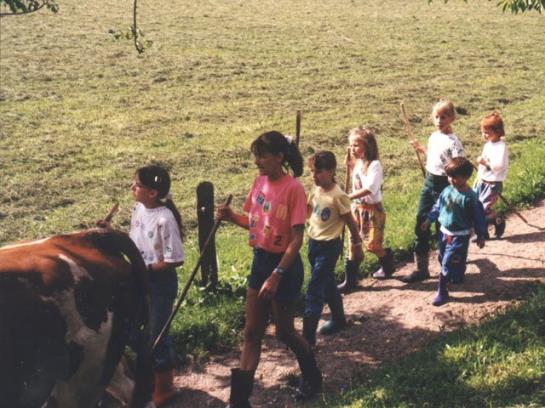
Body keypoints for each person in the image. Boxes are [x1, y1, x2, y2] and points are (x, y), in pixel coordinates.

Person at [217, 131, 322, 407]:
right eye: (256, 156)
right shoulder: (259, 182)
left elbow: (297, 239)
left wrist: (277, 275)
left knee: (284, 332)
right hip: (260, 261)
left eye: (262, 156)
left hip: (284, 267)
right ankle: (239, 401)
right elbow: (254, 223)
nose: (257, 162)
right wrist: (230, 218)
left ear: (279, 157)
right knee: (252, 332)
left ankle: (312, 377)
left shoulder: (294, 189)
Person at [129, 165, 185, 407]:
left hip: (160, 283)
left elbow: (175, 260)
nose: (132, 188)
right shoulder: (138, 209)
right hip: (139, 279)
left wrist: (147, 269)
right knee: (135, 330)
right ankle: (149, 377)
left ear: (152, 192)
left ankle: (166, 387)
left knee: (157, 335)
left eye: (137, 185)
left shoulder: (165, 219)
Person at [401, 99, 465, 283]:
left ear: (452, 118)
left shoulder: (454, 142)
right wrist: (421, 149)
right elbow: (435, 156)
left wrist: (456, 188)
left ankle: (447, 266)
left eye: (443, 117)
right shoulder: (433, 136)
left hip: (446, 185)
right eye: (436, 117)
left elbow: (458, 166)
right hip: (429, 183)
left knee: (443, 227)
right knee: (421, 220)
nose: (439, 120)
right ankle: (421, 269)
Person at [303, 151, 363, 346]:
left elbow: (351, 223)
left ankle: (307, 337)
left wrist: (356, 243)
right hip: (313, 243)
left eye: (319, 172)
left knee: (315, 288)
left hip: (329, 247)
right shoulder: (315, 190)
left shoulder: (339, 196)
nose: (314, 176)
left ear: (330, 171)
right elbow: (308, 212)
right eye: (312, 172)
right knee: (327, 283)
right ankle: (339, 319)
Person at [422, 157, 487, 306]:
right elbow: (438, 206)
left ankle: (442, 290)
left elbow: (478, 217)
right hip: (444, 233)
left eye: (455, 177)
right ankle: (457, 274)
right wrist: (428, 220)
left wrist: (481, 234)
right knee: (443, 257)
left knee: (447, 262)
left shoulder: (470, 197)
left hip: (460, 236)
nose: (450, 180)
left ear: (466, 177)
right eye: (449, 176)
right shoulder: (447, 190)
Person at [338, 127, 395, 293]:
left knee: (372, 244)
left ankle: (387, 261)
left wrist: (348, 196)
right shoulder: (358, 163)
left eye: (356, 145)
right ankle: (350, 280)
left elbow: (369, 188)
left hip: (372, 211)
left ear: (368, 146)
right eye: (350, 145)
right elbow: (354, 174)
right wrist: (349, 165)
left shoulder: (374, 165)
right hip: (356, 210)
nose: (352, 149)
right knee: (354, 244)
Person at [473, 112, 509, 239]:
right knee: (476, 207)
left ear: (498, 131)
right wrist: (479, 176)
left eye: (487, 132)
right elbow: (484, 164)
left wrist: (485, 162)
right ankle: (483, 232)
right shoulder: (487, 145)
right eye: (483, 132)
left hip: (493, 183)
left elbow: (498, 166)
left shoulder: (501, 147)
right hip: (482, 181)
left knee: (484, 208)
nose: (484, 135)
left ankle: (497, 220)